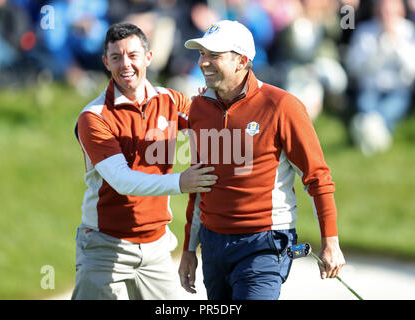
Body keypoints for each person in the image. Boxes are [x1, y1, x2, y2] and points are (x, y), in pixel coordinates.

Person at [178, 20, 345, 300]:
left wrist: (331, 242)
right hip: (212, 241)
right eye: (202, 54)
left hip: (264, 243)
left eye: (214, 56)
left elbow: (317, 177)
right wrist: (188, 249)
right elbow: (199, 183)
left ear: (242, 61)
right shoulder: (199, 108)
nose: (204, 62)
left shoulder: (282, 106)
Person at [71, 22, 217, 300]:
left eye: (133, 55)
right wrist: (181, 182)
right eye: (116, 57)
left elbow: (213, 129)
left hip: (157, 247)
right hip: (104, 247)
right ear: (105, 62)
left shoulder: (172, 100)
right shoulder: (93, 117)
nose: (125, 64)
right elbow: (122, 180)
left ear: (148, 57)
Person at [344, 0, 415, 156]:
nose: (386, 15)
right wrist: (377, 47)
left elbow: (411, 70)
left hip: (398, 90)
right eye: (383, 10)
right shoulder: (364, 31)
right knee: (366, 107)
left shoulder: (409, 31)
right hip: (370, 88)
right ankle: (376, 136)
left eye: (391, 11)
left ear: (401, 11)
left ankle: (366, 132)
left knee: (388, 111)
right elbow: (355, 68)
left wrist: (396, 43)